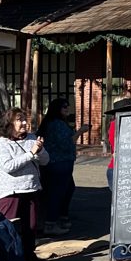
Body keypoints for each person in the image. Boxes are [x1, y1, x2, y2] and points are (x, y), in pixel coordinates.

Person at [0, 107, 49, 261]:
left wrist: (41, 149)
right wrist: (30, 154)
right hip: (11, 192)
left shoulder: (32, 138)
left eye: (25, 119)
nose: (24, 123)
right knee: (9, 228)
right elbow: (8, 166)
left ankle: (29, 256)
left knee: (30, 227)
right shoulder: (1, 144)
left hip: (32, 189)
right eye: (19, 120)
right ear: (9, 123)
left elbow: (45, 160)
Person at [38, 97, 88, 237]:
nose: (67, 109)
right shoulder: (56, 124)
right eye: (64, 107)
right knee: (57, 193)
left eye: (67, 106)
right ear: (57, 109)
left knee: (67, 189)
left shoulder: (54, 123)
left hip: (59, 162)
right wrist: (80, 131)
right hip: (58, 162)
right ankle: (51, 222)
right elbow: (66, 142)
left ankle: (60, 217)